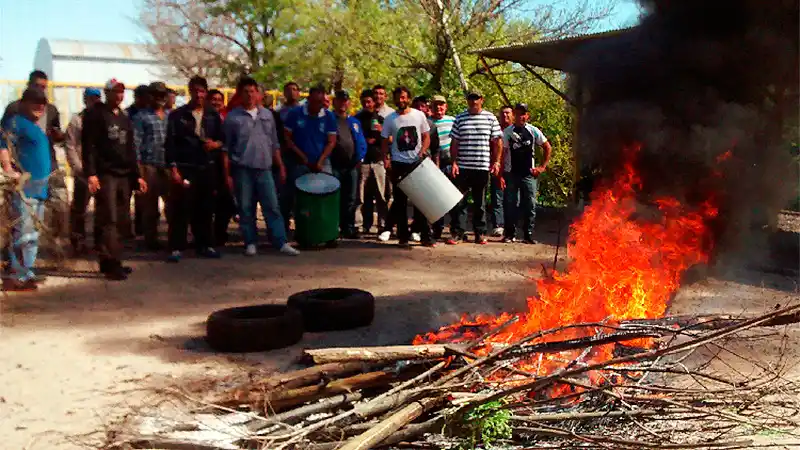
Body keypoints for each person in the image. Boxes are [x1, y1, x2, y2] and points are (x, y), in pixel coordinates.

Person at [223, 76, 299, 256]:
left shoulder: (268, 115)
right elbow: (226, 148)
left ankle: (280, 242)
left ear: (258, 94)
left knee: (272, 206)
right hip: (242, 169)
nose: (250, 95)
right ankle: (250, 242)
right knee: (246, 207)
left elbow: (274, 143)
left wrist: (280, 166)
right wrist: (227, 174)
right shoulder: (232, 118)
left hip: (265, 168)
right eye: (246, 92)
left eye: (252, 91)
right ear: (240, 95)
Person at [82, 78, 148, 280]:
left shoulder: (125, 118)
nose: (119, 96)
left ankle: (110, 259)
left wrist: (137, 176)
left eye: (121, 92)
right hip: (106, 174)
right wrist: (91, 174)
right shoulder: (96, 114)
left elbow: (130, 149)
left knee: (120, 219)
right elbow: (89, 146)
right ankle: (112, 263)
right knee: (108, 218)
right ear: (107, 93)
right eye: (115, 92)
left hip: (124, 175)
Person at [1, 70, 68, 251]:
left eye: (44, 88)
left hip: (47, 170)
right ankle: (16, 268)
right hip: (24, 173)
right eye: (37, 86)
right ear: (29, 84)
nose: (41, 91)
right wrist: (8, 167)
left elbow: (56, 133)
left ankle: (49, 251)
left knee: (54, 211)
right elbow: (5, 140)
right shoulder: (15, 110)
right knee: (22, 223)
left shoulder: (50, 109)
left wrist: (59, 135)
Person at [164, 76, 224, 262]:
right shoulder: (178, 115)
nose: (198, 95)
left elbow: (223, 140)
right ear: (189, 92)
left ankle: (205, 244)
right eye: (195, 91)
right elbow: (170, 144)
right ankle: (176, 247)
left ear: (206, 92)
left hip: (207, 166)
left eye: (201, 91)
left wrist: (215, 145)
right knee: (180, 208)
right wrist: (173, 169)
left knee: (205, 208)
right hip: (185, 167)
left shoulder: (213, 115)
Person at [0, 89, 52, 290]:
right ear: (24, 102)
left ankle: (26, 272)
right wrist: (7, 169)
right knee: (22, 233)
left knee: (32, 235)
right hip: (24, 190)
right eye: (35, 102)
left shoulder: (34, 126)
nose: (39, 106)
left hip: (39, 189)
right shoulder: (15, 122)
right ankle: (16, 275)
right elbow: (3, 144)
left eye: (42, 102)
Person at [380, 86, 434, 247]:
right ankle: (403, 237)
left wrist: (422, 152)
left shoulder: (419, 115)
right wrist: (386, 159)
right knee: (400, 202)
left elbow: (426, 137)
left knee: (421, 202)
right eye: (398, 97)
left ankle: (426, 236)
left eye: (403, 97)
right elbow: (384, 141)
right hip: (398, 164)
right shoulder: (390, 119)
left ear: (408, 98)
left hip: (416, 163)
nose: (401, 100)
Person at [449, 90, 503, 245]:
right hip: (463, 167)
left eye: (476, 98)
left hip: (481, 167)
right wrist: (454, 162)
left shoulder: (490, 118)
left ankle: (480, 233)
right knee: (460, 202)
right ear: (467, 101)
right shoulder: (460, 118)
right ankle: (458, 233)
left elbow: (497, 141)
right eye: (471, 99)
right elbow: (455, 142)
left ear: (482, 100)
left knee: (480, 202)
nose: (473, 101)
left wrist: (497, 161)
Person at [282, 84, 338, 233]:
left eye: (320, 102)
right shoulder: (295, 113)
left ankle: (325, 230)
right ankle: (291, 229)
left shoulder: (328, 116)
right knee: (294, 196)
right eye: (314, 102)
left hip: (322, 161)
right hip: (298, 161)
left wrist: (320, 161)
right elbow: (287, 139)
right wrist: (302, 157)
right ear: (308, 99)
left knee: (326, 195)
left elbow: (331, 141)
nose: (317, 106)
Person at [501, 103, 552, 244]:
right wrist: (500, 175)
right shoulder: (507, 132)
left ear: (527, 116)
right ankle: (509, 234)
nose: (519, 117)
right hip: (511, 173)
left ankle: (528, 235)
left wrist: (542, 167)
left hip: (529, 174)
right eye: (517, 114)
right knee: (510, 204)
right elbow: (503, 153)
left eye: (522, 114)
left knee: (530, 205)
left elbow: (547, 147)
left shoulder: (533, 131)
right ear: (513, 115)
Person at [133, 82, 171, 250]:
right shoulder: (141, 117)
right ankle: (151, 240)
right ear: (150, 96)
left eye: (162, 95)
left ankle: (174, 239)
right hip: (149, 166)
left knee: (172, 205)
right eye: (156, 95)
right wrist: (139, 171)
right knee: (150, 207)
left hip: (168, 165)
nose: (160, 98)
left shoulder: (171, 116)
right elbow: (136, 143)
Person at [64, 87, 103, 254]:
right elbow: (70, 146)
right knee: (80, 208)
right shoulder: (77, 121)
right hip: (83, 173)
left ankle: (100, 242)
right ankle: (77, 241)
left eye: (97, 98)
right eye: (91, 98)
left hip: (102, 172)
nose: (94, 101)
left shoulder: (104, 118)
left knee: (103, 209)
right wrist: (79, 169)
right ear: (85, 99)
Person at [330, 90, 367, 239]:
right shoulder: (329, 119)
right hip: (335, 165)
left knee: (351, 198)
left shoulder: (354, 121)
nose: (343, 103)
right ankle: (333, 227)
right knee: (335, 197)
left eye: (345, 101)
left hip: (352, 166)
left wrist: (360, 157)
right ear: (334, 102)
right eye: (340, 100)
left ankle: (348, 227)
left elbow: (361, 142)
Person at [354, 89, 389, 234]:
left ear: (374, 103)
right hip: (362, 162)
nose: (366, 104)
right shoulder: (356, 119)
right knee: (361, 197)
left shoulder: (381, 119)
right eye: (364, 101)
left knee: (381, 195)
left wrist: (382, 132)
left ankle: (383, 225)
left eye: (369, 101)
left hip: (378, 160)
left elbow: (389, 140)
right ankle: (360, 225)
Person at [429, 94, 456, 240]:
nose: (439, 108)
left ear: (446, 107)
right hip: (435, 163)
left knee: (453, 197)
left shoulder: (453, 120)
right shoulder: (427, 122)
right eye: (435, 105)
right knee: (437, 198)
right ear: (431, 108)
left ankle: (455, 230)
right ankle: (437, 230)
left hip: (451, 163)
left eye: (441, 105)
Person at [126, 84, 150, 238]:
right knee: (126, 197)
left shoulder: (149, 112)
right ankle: (126, 230)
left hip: (145, 160)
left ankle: (141, 228)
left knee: (143, 196)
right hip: (130, 159)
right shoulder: (128, 114)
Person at [491, 105, 514, 237]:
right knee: (497, 196)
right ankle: (498, 225)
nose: (505, 116)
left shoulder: (517, 130)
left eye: (508, 113)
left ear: (512, 115)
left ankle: (511, 225)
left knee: (511, 199)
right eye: (502, 114)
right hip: (497, 167)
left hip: (513, 169)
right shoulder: (495, 130)